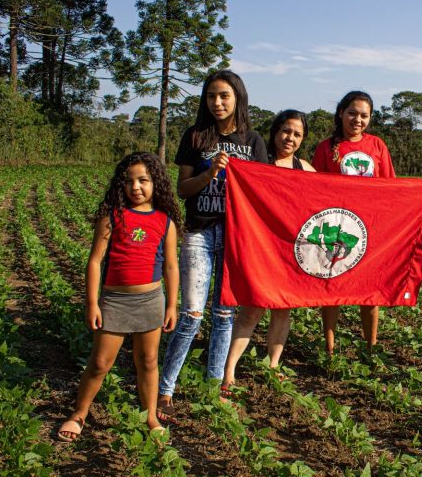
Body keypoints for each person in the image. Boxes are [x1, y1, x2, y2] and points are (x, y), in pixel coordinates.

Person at [156, 70, 268, 422]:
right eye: (210, 96)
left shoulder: (253, 142)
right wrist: (210, 173)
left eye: (224, 96)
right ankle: (165, 389)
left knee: (224, 315)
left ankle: (214, 388)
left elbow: (266, 190)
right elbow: (183, 190)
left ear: (238, 98)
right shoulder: (195, 136)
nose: (217, 103)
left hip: (236, 236)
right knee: (192, 314)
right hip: (199, 233)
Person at [57, 152, 181, 441]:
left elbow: (171, 266)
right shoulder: (112, 217)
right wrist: (92, 303)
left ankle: (150, 416)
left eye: (143, 180)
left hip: (151, 301)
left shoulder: (166, 222)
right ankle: (79, 414)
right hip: (115, 302)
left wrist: (172, 305)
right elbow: (94, 262)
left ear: (156, 183)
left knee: (148, 361)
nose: (135, 187)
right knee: (100, 363)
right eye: (129, 181)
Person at [221, 110, 315, 391]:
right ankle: (229, 371)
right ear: (275, 131)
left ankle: (273, 365)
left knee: (283, 310)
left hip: (292, 249)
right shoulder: (258, 162)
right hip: (262, 246)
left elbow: (327, 195)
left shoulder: (305, 168)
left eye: (297, 134)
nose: (290, 138)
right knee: (252, 309)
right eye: (286, 131)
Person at [311, 91, 396, 355]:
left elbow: (390, 187)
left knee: (369, 290)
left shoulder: (377, 145)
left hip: (370, 226)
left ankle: (371, 347)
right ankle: (330, 348)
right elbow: (313, 187)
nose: (357, 120)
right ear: (341, 113)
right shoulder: (326, 148)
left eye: (364, 115)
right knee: (332, 287)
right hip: (336, 225)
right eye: (352, 113)